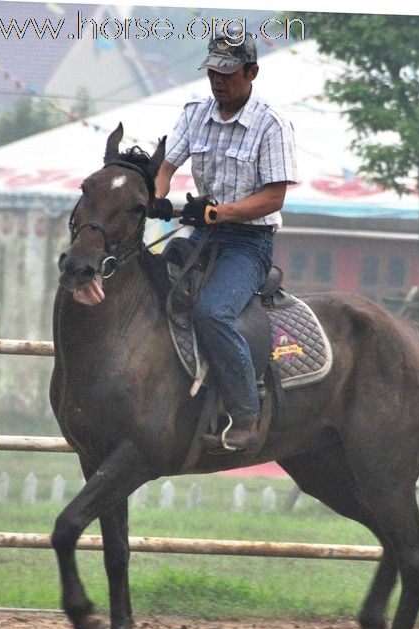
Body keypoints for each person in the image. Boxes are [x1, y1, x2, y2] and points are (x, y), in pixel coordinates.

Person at [149, 32, 297, 452]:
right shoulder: (194, 112)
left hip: (248, 242)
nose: (218, 81)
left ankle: (246, 414)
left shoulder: (272, 124)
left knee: (212, 312)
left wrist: (218, 213)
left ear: (252, 72)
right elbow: (168, 164)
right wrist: (158, 197)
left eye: (228, 74)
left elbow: (274, 197)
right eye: (213, 72)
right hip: (204, 231)